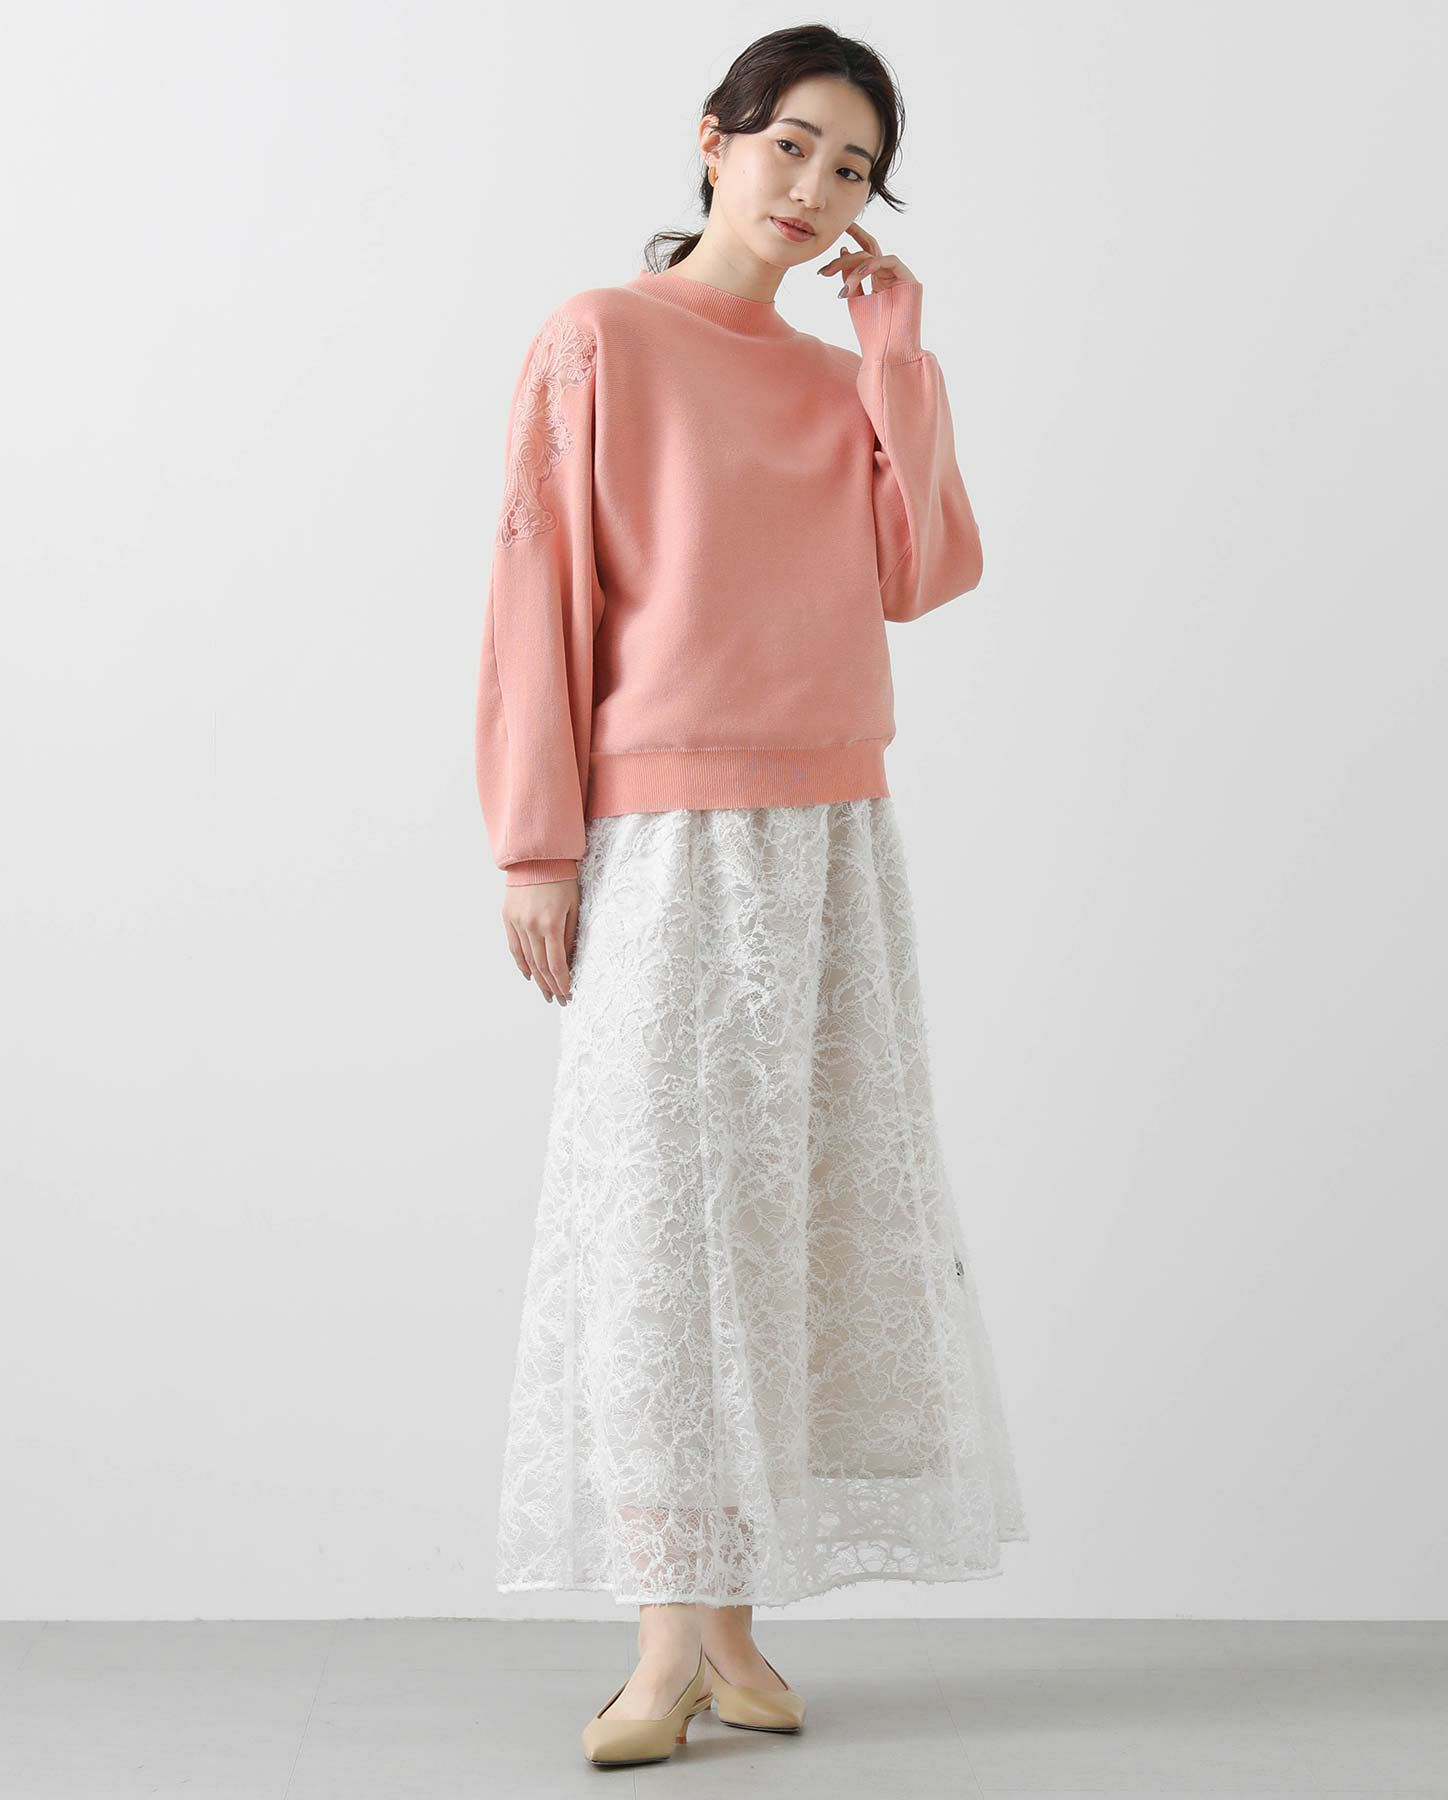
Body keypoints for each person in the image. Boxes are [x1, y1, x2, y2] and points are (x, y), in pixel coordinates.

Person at [473, 24, 1028, 1768]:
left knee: (784, 1220)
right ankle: (667, 1641)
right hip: (665, 841)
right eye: (792, 145)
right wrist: (535, 844)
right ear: (713, 139)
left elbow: (924, 570)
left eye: (854, 171)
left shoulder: (835, 377)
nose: (816, 189)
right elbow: (539, 591)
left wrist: (896, 357)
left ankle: (724, 1628)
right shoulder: (599, 339)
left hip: (833, 836)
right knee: (663, 1230)